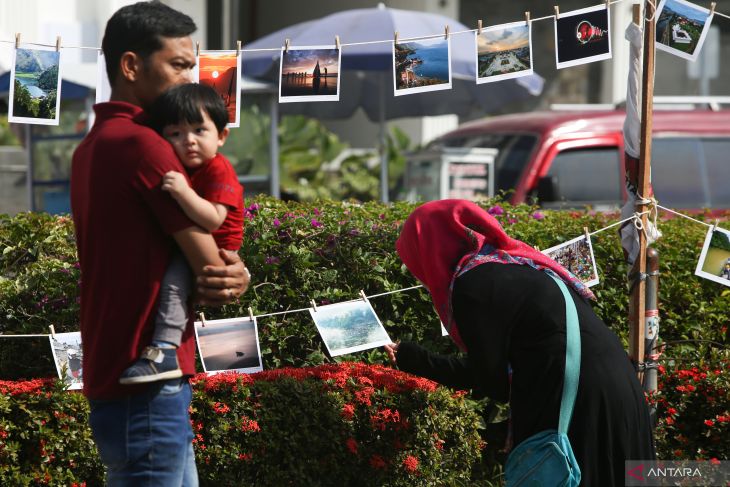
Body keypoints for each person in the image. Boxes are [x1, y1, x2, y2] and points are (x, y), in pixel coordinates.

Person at [70, 2, 250, 484]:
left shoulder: (93, 145)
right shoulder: (144, 145)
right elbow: (212, 270)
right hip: (145, 378)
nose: (191, 76)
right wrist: (236, 273)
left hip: (122, 368)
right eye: (178, 64)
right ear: (131, 65)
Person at [385, 200, 655, 486]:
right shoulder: (516, 262)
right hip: (619, 389)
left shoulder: (472, 284)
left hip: (581, 402)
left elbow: (490, 380)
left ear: (429, 251)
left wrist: (413, 358)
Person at [119, 83, 244, 384]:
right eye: (175, 134)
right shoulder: (190, 167)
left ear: (222, 136)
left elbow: (214, 219)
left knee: (174, 286)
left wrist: (183, 193)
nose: (188, 141)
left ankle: (164, 349)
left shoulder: (218, 169)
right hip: (200, 244)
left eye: (200, 130)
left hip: (215, 249)